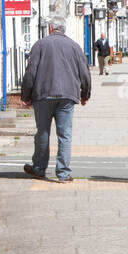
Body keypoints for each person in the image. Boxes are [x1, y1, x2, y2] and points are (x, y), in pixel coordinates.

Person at [21, 17, 91, 183]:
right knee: (65, 135)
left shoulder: (40, 45)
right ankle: (63, 173)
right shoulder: (75, 47)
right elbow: (85, 73)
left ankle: (39, 169)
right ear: (63, 29)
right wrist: (85, 94)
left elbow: (30, 72)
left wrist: (25, 95)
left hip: (43, 94)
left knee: (42, 133)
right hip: (67, 95)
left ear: (51, 28)